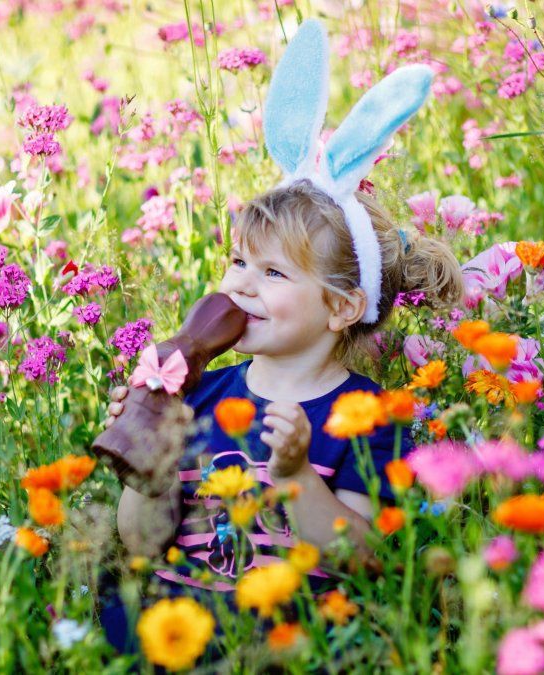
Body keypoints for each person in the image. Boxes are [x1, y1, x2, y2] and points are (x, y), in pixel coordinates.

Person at [100, 179, 464, 649]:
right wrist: (146, 451)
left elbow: (354, 555)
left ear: (342, 306)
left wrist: (296, 476)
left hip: (296, 633)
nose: (241, 285)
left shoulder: (365, 415)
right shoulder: (195, 393)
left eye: (273, 272)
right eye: (238, 262)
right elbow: (142, 542)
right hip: (184, 624)